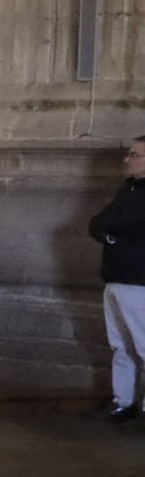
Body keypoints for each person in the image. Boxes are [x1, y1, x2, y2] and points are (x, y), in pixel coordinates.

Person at [89, 136, 145, 422]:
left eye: (134, 155)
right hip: (115, 276)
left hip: (137, 280)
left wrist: (112, 234)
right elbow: (98, 223)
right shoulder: (128, 188)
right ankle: (123, 400)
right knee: (121, 345)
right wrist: (114, 236)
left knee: (144, 345)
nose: (127, 159)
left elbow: (131, 226)